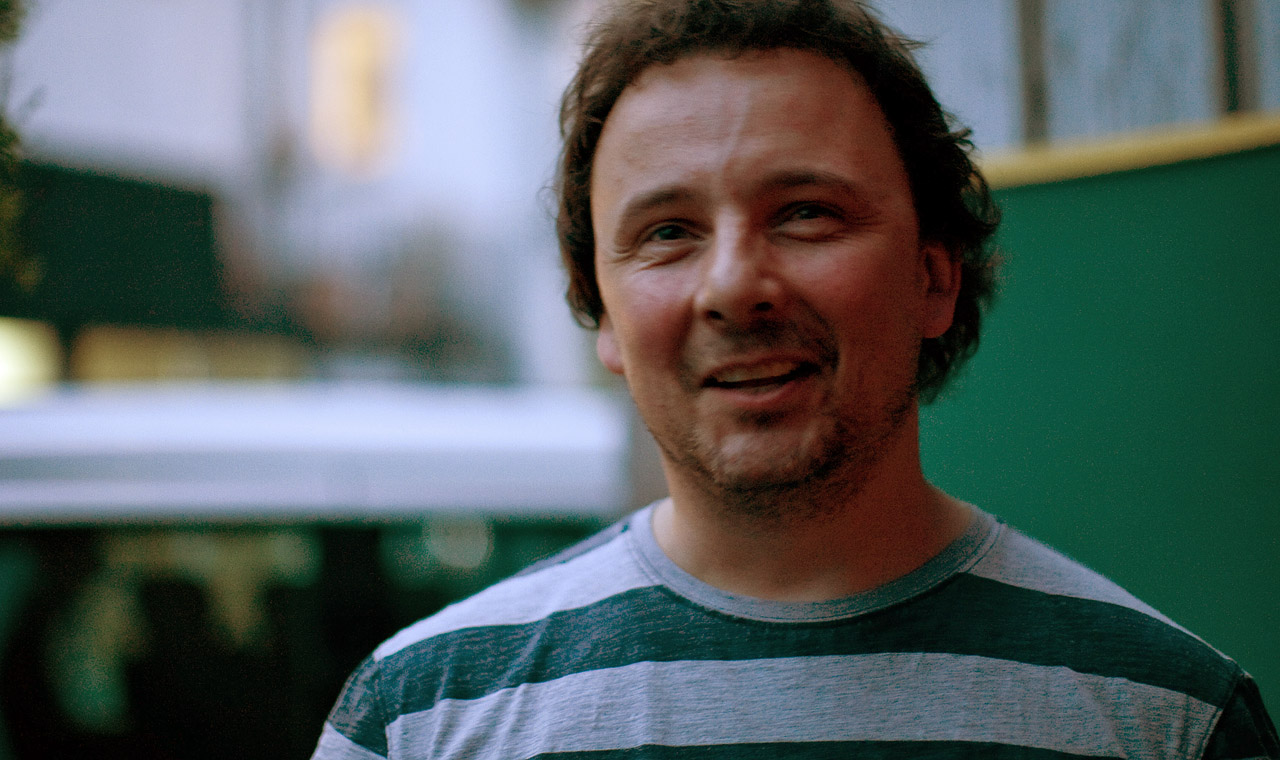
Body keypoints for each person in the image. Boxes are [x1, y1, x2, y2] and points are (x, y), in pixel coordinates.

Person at [311, 1, 1278, 758]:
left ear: (934, 277)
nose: (735, 287)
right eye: (668, 233)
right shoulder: (420, 719)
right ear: (602, 315)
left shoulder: (1166, 720)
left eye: (807, 213)